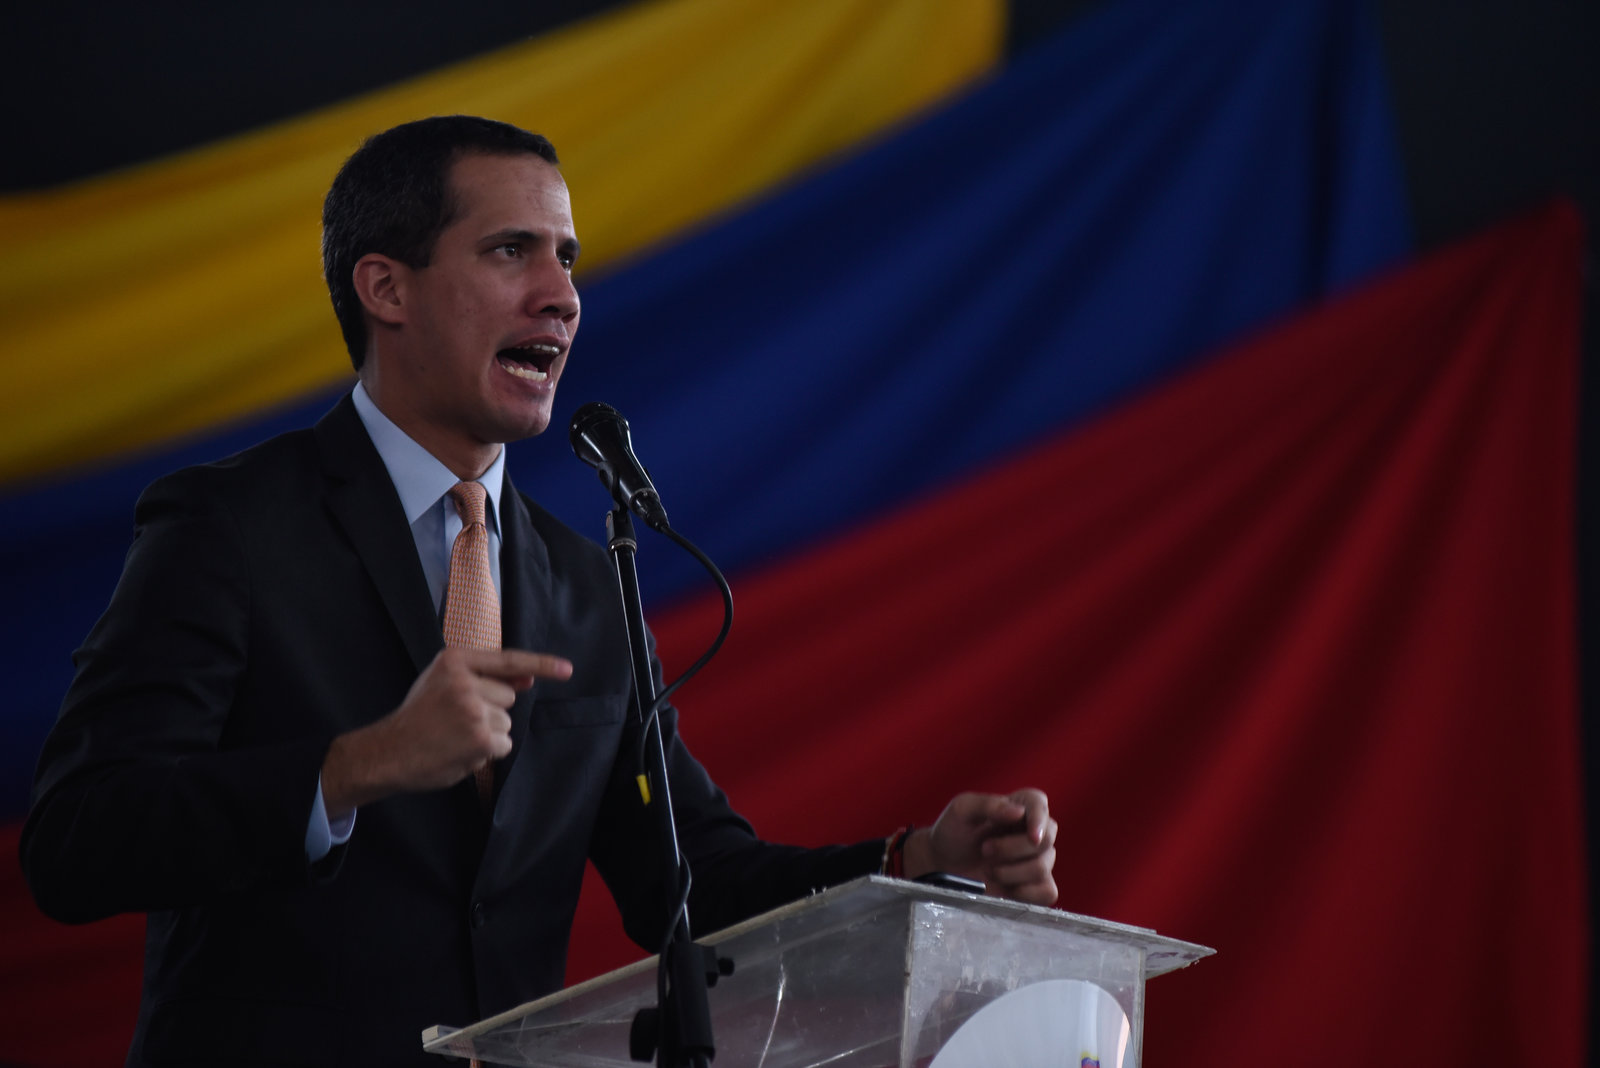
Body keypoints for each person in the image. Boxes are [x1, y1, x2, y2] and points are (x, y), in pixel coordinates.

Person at [20, 116, 1058, 1067]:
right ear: (386, 289)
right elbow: (76, 840)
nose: (560, 295)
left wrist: (916, 860)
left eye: (567, 257)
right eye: (511, 250)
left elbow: (694, 882)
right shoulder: (231, 526)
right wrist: (356, 767)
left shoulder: (586, 582)